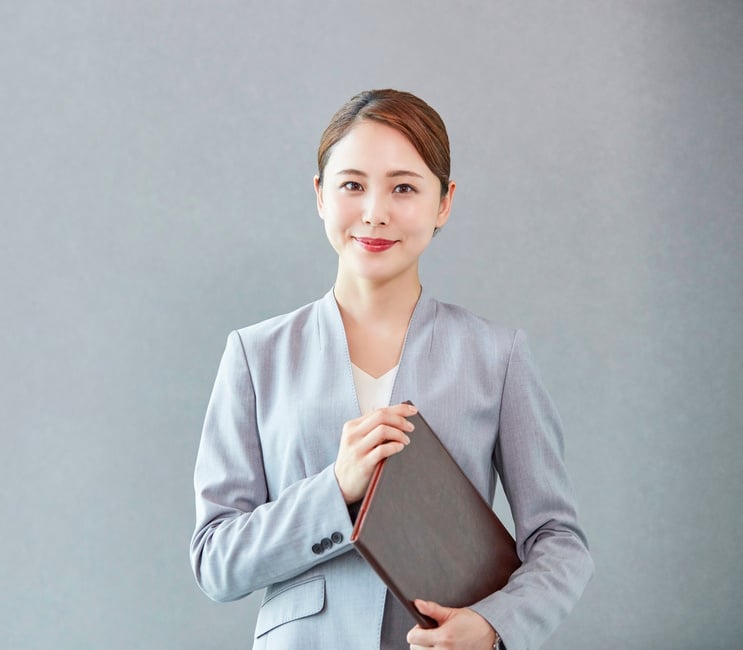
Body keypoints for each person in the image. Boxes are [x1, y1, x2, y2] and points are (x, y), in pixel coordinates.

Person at [189, 89, 593, 650]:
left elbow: (559, 539)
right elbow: (216, 561)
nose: (375, 211)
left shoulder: (497, 356)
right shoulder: (256, 356)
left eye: (404, 187)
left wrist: (497, 624)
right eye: (352, 185)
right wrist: (336, 490)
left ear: (444, 202)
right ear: (320, 196)